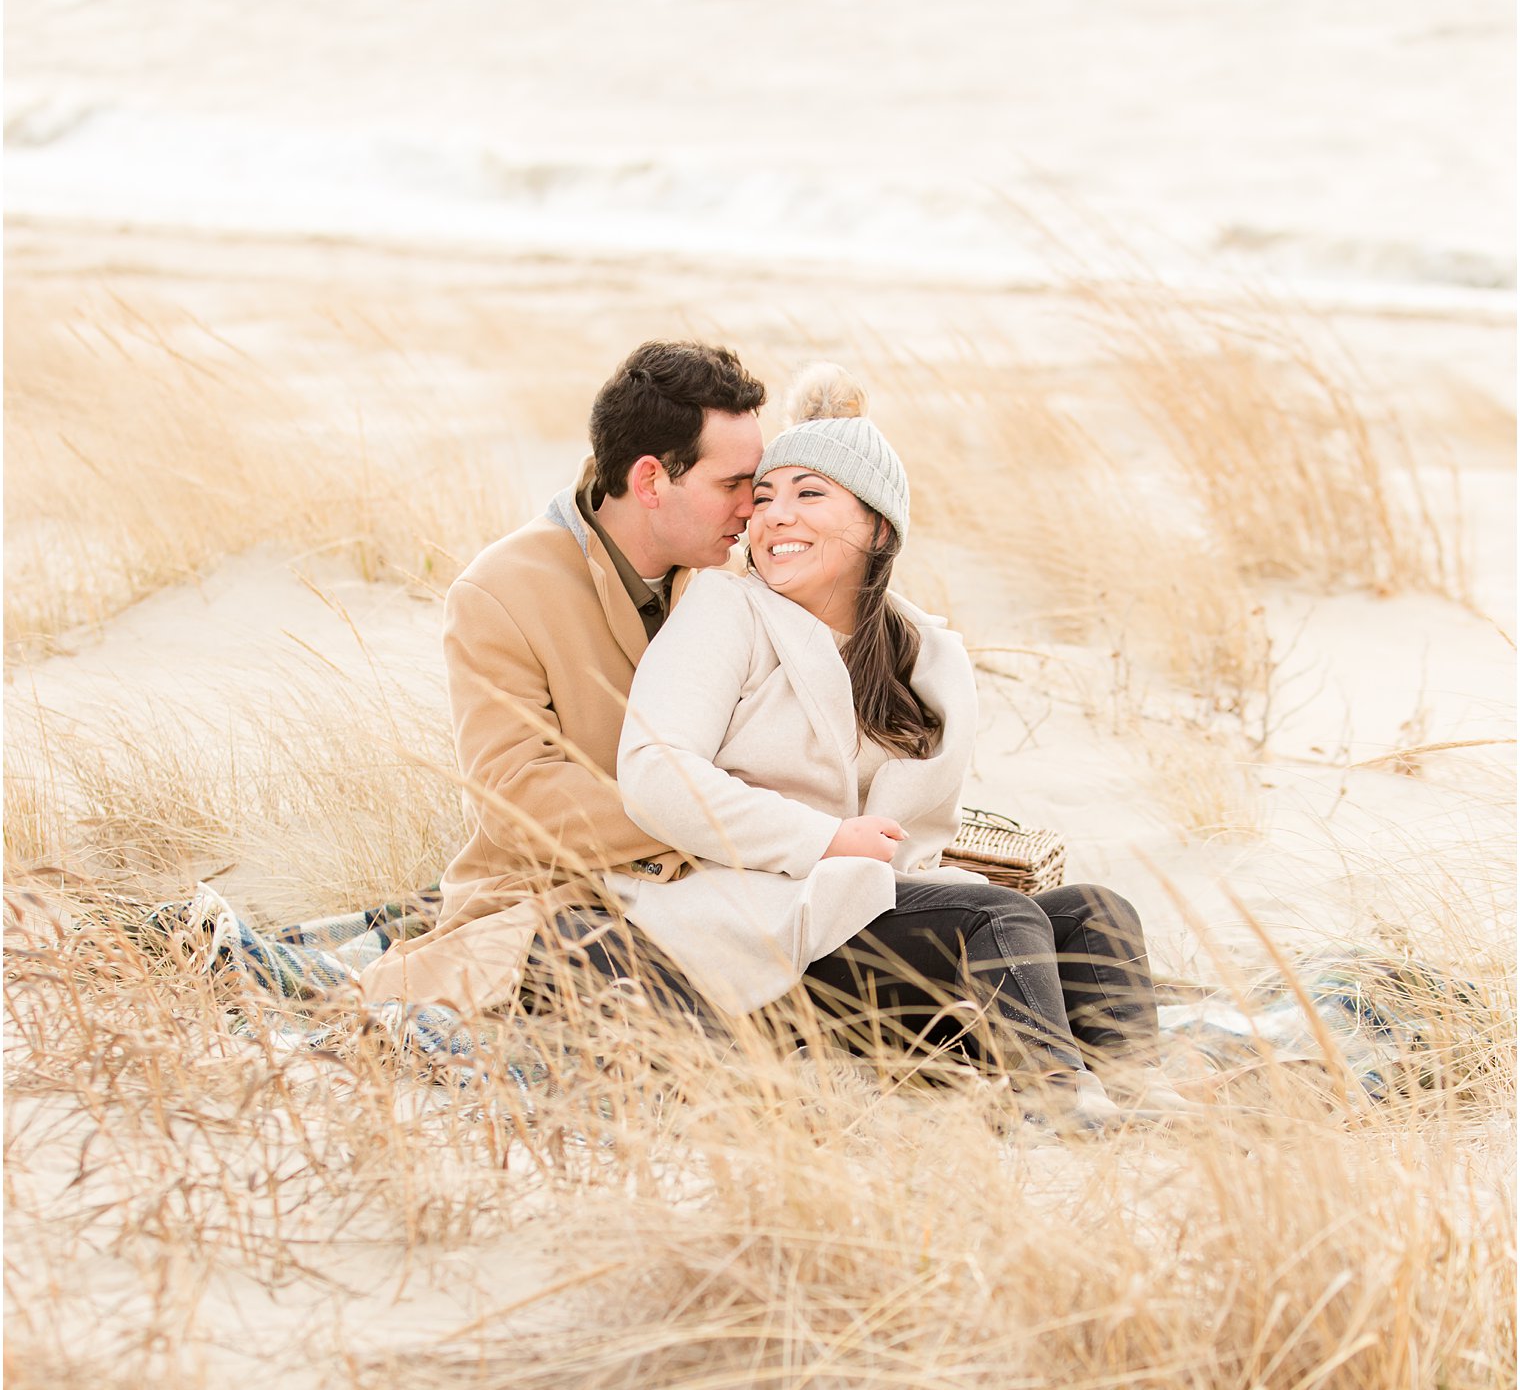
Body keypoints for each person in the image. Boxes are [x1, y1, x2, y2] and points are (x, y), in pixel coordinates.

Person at [616, 366, 1185, 1129]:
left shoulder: (918, 652)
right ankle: (1058, 1102)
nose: (774, 516)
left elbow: (913, 843)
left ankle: (1142, 1092)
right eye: (763, 497)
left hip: (865, 921)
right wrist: (826, 840)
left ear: (879, 526)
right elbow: (654, 773)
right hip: (753, 920)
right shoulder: (727, 610)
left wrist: (879, 863)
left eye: (809, 494)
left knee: (1094, 912)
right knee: (996, 917)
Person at [356, 338, 766, 1020]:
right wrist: (730, 820)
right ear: (650, 482)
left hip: (720, 897)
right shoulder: (498, 591)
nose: (753, 507)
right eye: (733, 484)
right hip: (551, 911)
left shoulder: (732, 580)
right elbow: (522, 799)